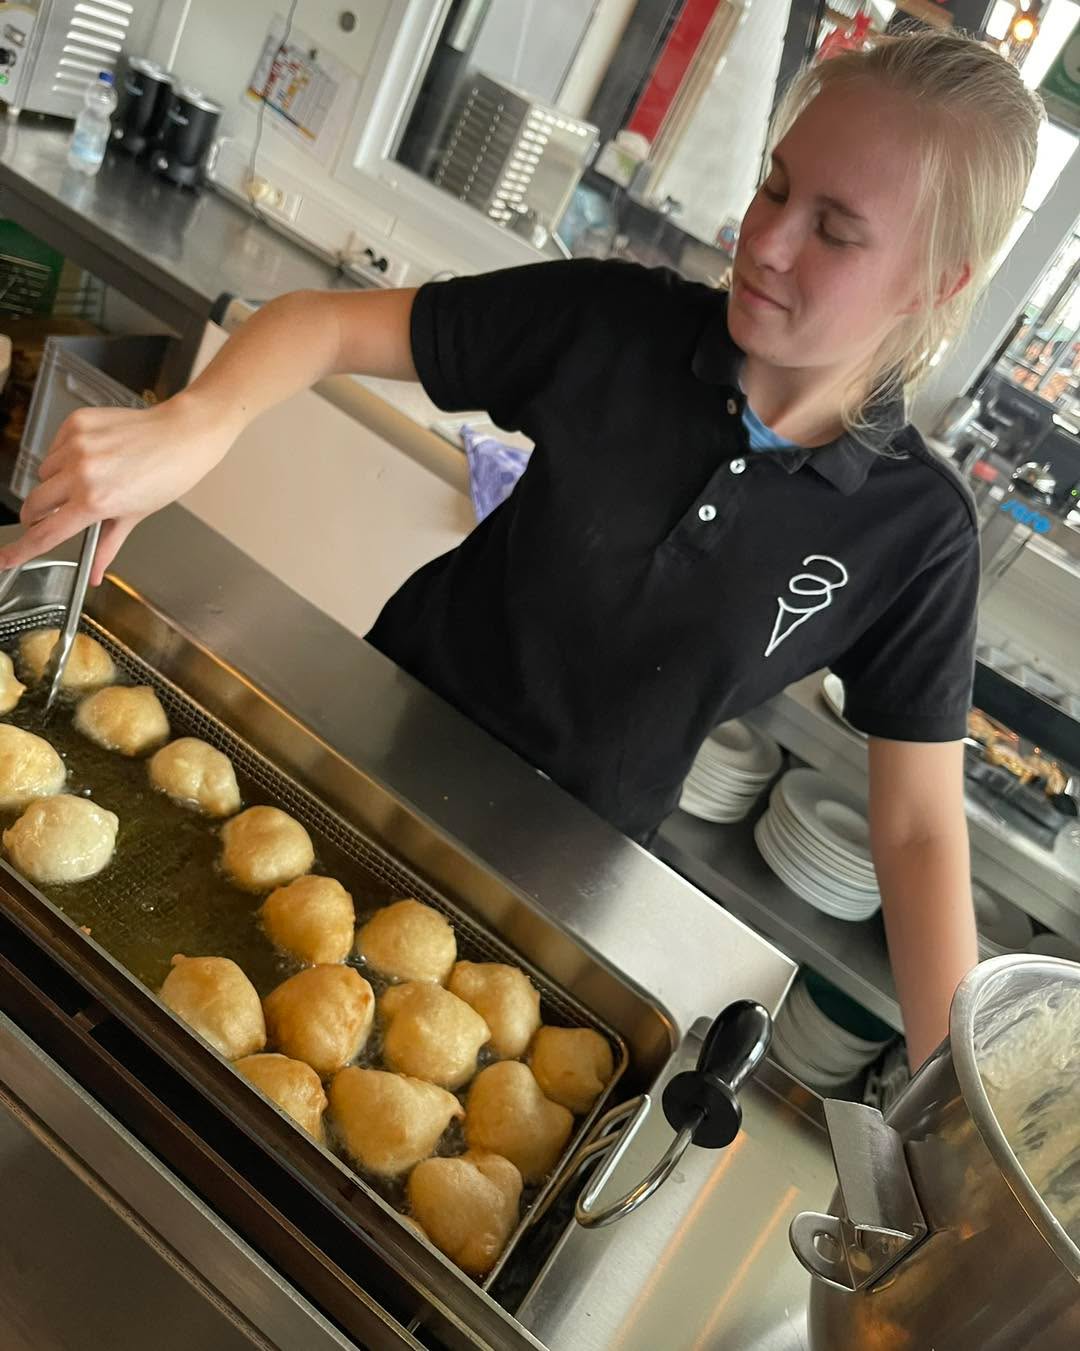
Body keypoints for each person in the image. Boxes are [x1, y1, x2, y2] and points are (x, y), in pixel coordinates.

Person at [0, 32, 1042, 1067]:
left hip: (560, 878)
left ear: (933, 283)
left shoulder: (916, 531)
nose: (765, 240)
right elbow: (322, 324)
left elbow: (918, 833)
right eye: (774, 187)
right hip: (364, 754)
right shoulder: (617, 323)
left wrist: (949, 1091)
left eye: (835, 231)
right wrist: (198, 420)